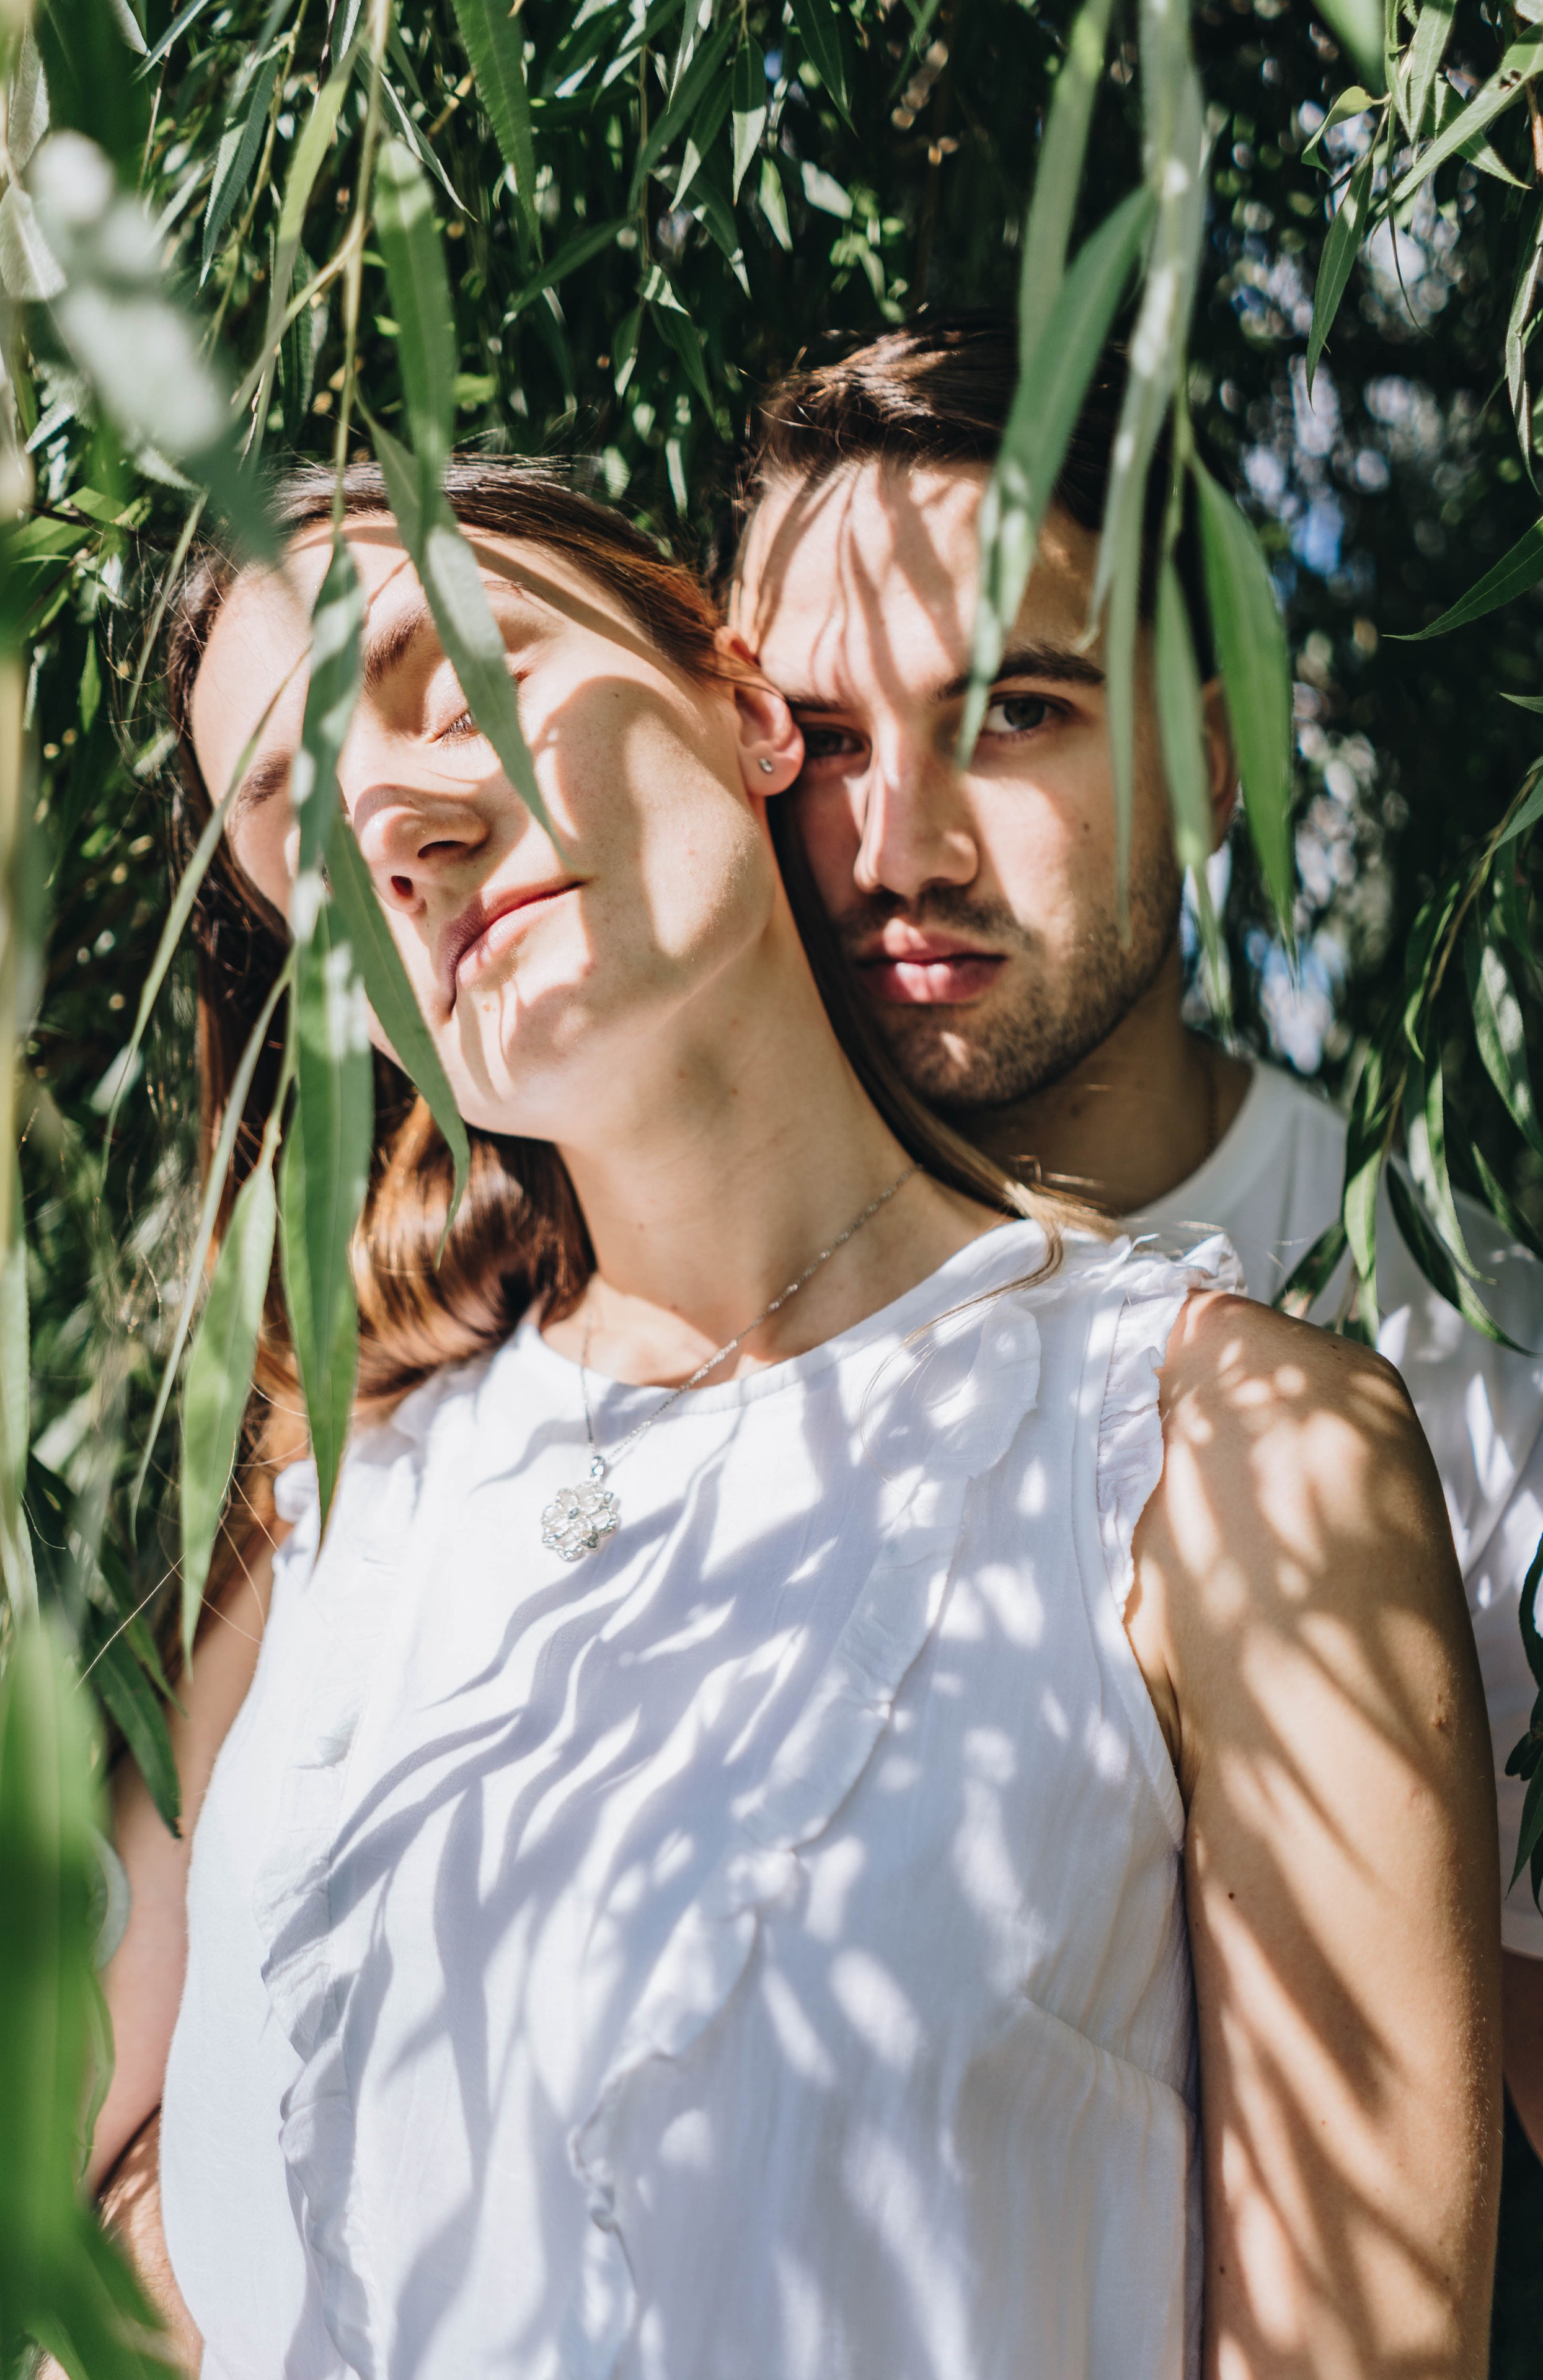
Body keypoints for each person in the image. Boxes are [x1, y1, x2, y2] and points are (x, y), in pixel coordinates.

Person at [92, 459, 1497, 2380]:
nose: (398, 823)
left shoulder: (1228, 1455)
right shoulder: (331, 1507)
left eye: (459, 679)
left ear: (746, 705)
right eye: (298, 826)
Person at [730, 312, 1543, 2156]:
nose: (900, 850)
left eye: (1017, 711)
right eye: (824, 741)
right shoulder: (650, 1305)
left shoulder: (1443, 1344)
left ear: (1216, 749)